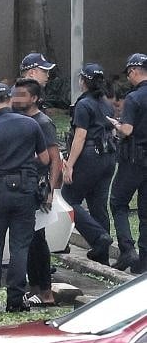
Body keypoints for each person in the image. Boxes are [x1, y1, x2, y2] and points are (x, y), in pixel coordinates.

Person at [0, 83, 50, 313]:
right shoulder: (31, 125)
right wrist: (26, 166)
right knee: (20, 247)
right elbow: (44, 159)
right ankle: (15, 299)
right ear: (10, 99)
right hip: (25, 193)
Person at [11, 78, 66, 305]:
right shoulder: (17, 120)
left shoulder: (43, 123)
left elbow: (54, 160)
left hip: (38, 187)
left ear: (34, 98)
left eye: (22, 95)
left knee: (37, 240)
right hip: (21, 186)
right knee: (28, 239)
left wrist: (50, 191)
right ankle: (34, 288)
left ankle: (45, 290)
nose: (16, 98)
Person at [60, 64, 116, 265]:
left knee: (68, 198)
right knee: (98, 204)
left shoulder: (83, 105)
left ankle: (98, 237)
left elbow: (80, 137)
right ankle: (102, 254)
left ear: (83, 81)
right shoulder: (105, 103)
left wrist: (70, 165)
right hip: (108, 156)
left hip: (90, 156)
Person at [108, 53, 147, 273]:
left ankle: (127, 249)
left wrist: (116, 124)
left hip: (134, 159)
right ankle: (144, 262)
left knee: (118, 202)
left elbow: (127, 130)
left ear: (133, 71)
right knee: (146, 212)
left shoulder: (134, 98)